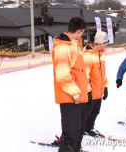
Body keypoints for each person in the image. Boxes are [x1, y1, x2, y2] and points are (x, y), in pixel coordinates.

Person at [52, 17, 88, 152]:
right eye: (82, 32)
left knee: (78, 130)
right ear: (79, 31)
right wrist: (75, 92)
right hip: (70, 97)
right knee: (71, 133)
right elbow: (62, 74)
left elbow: (79, 71)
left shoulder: (74, 45)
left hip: (78, 96)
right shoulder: (63, 47)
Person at [82, 31, 109, 137]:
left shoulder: (101, 53)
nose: (107, 44)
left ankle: (89, 128)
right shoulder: (88, 55)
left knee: (95, 112)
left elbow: (102, 73)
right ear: (100, 43)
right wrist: (88, 91)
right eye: (106, 42)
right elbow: (84, 77)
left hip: (99, 91)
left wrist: (105, 86)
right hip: (91, 92)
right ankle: (81, 131)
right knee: (85, 114)